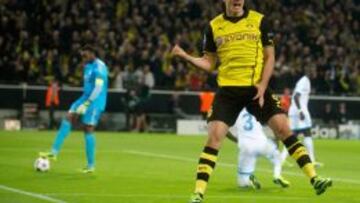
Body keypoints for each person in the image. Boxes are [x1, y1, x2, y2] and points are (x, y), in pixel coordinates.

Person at [171, 1, 332, 202]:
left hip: (256, 87)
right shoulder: (213, 26)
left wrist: (263, 85)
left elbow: (269, 57)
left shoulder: (259, 20)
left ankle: (314, 179)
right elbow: (209, 63)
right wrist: (186, 56)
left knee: (283, 128)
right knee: (214, 137)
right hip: (228, 90)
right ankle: (198, 193)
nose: (238, 0)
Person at [40, 45, 108, 173]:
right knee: (68, 117)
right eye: (82, 55)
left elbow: (98, 88)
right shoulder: (87, 66)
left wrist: (87, 104)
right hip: (84, 98)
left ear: (93, 53)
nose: (83, 58)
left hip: (95, 101)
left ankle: (91, 165)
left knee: (88, 129)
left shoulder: (99, 67)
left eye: (85, 55)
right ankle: (54, 152)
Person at [228, 109, 290, 189]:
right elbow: (271, 122)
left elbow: (225, 130)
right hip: (262, 143)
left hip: (246, 146)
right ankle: (277, 175)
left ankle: (248, 179)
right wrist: (276, 141)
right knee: (278, 159)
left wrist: (236, 139)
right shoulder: (255, 107)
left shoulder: (234, 110)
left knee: (242, 184)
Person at [281, 74, 322, 167]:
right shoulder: (304, 81)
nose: (314, 72)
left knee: (293, 137)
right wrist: (300, 111)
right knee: (307, 133)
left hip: (296, 112)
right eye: (313, 70)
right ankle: (311, 160)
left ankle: (281, 159)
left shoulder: (304, 81)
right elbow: (296, 97)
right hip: (299, 112)